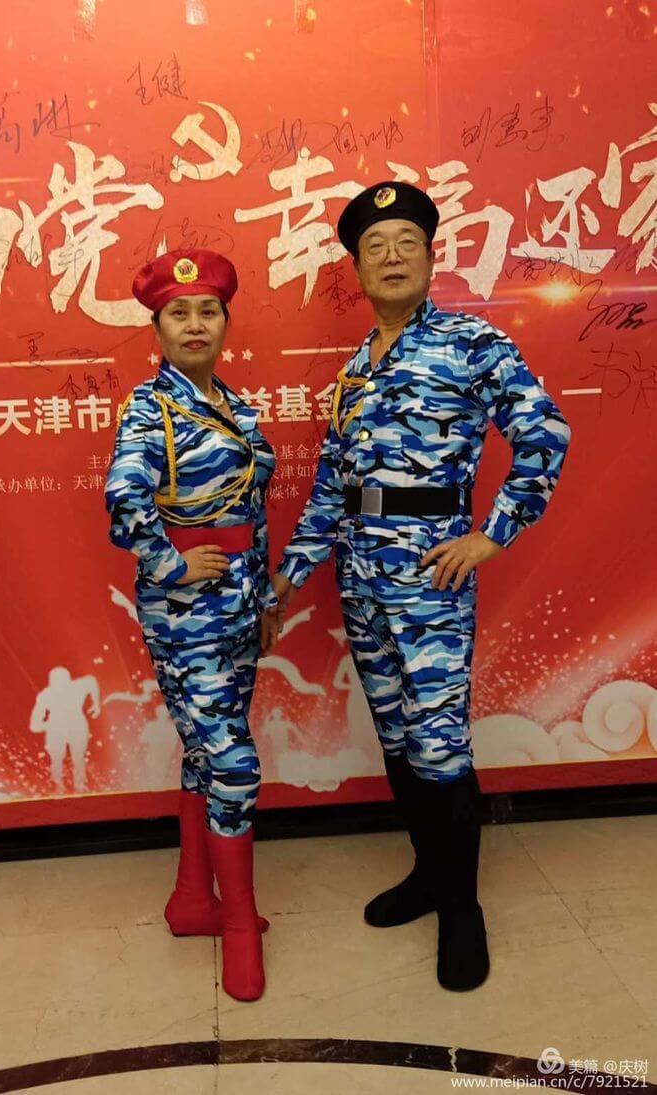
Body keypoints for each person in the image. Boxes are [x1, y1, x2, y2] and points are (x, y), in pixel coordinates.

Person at [272, 182, 571, 991]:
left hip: (431, 578)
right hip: (362, 579)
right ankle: (429, 874)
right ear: (358, 270)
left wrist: (492, 532)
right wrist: (289, 576)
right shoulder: (353, 372)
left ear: (432, 257)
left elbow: (545, 432)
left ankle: (463, 909)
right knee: (399, 739)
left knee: (440, 743)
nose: (392, 255)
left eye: (407, 241)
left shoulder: (471, 343)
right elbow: (332, 487)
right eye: (375, 246)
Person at [105, 248, 279, 1002]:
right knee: (235, 765)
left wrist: (264, 600)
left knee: (206, 756)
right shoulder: (151, 407)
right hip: (185, 615)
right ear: (158, 330)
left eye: (208, 310)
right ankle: (237, 923)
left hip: (238, 603)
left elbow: (255, 511)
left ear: (226, 323)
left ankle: (191, 900)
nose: (195, 323)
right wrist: (171, 564)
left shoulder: (233, 405)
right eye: (178, 313)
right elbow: (124, 501)